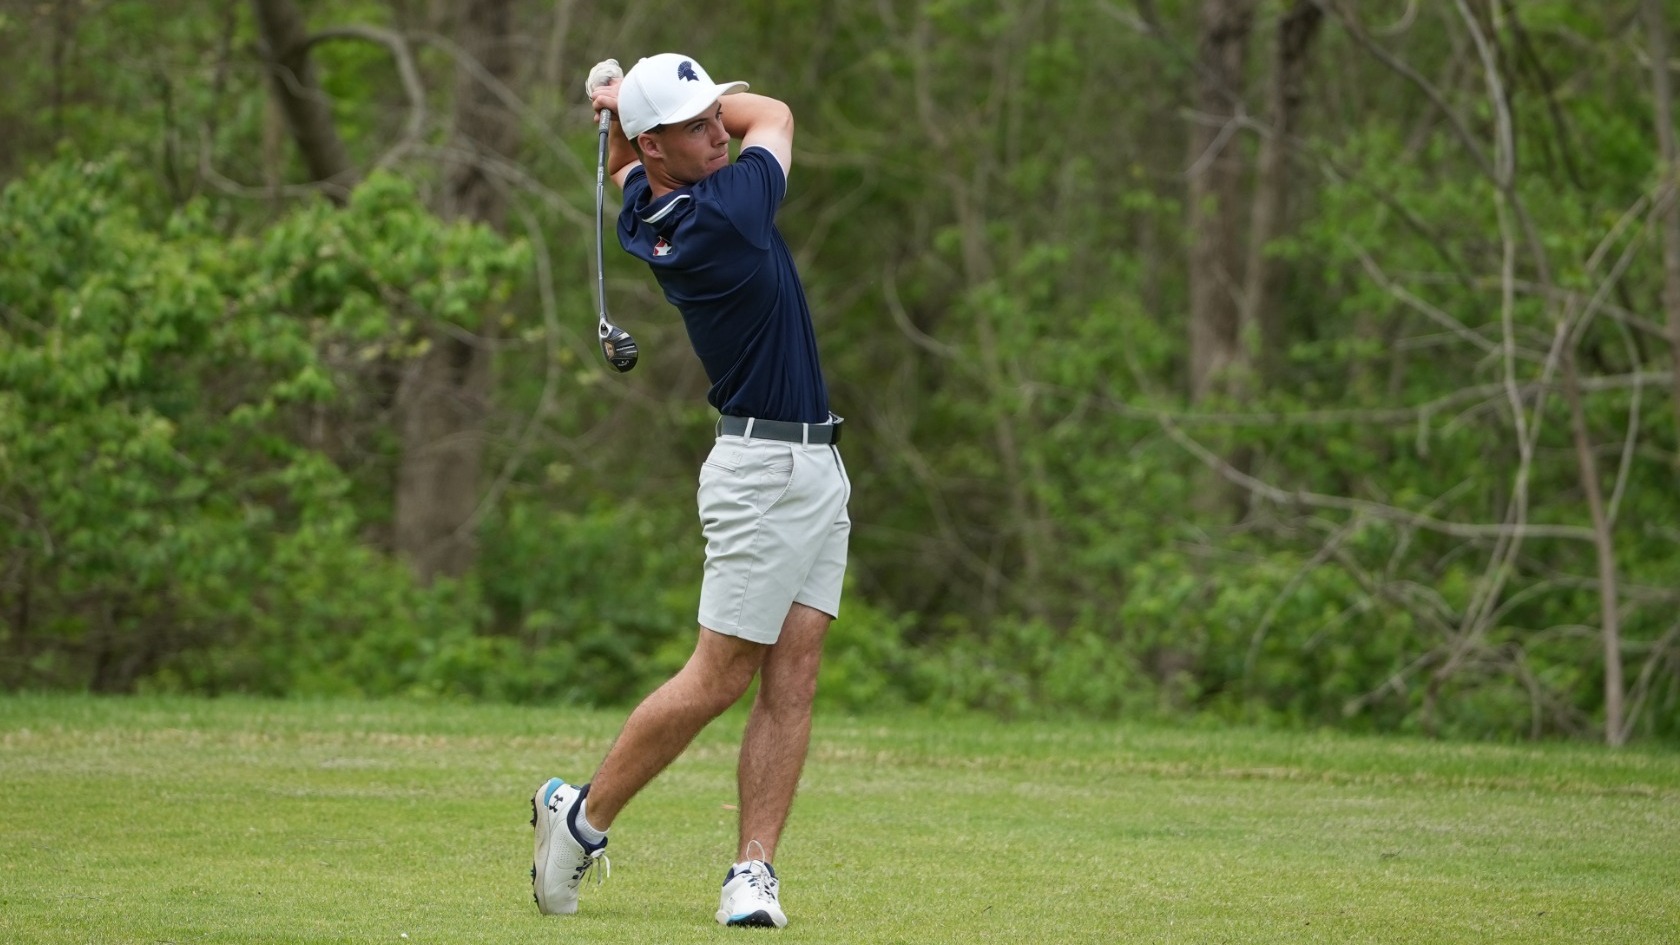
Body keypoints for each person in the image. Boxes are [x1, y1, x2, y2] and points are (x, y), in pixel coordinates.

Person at [530, 53, 851, 930]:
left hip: (813, 462)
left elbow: (630, 166)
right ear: (663, 146)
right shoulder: (732, 210)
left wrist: (628, 109)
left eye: (715, 116)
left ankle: (752, 872)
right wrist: (640, 95)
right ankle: (581, 818)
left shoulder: (649, 202)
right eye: (700, 124)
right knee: (719, 677)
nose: (720, 131)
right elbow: (775, 112)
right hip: (763, 471)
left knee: (795, 675)